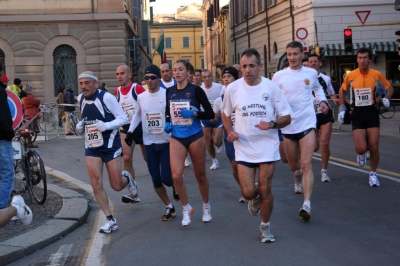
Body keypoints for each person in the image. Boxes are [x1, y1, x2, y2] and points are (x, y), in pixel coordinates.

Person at [222, 48, 292, 243]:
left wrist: (272, 124)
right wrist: (230, 132)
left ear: (260, 66)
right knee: (248, 191)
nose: (247, 70)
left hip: (267, 146)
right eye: (244, 66)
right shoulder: (232, 89)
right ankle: (252, 198)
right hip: (243, 146)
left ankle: (265, 227)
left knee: (265, 188)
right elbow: (225, 114)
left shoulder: (271, 88)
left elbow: (286, 116)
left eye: (252, 66)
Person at [272, 41, 329, 221]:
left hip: (307, 123)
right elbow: (273, 98)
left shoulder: (311, 73)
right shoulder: (279, 76)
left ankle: (307, 203)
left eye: (295, 54)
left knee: (306, 164)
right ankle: (296, 176)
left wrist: (322, 101)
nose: (292, 57)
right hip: (288, 125)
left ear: (301, 54)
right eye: (289, 54)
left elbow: (318, 89)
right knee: (293, 165)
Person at [75, 71, 135, 234]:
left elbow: (123, 118)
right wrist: (80, 125)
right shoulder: (80, 98)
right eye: (81, 83)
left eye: (87, 83)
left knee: (116, 185)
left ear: (96, 83)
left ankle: (127, 178)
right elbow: (87, 117)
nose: (84, 86)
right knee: (95, 181)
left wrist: (106, 126)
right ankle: (110, 220)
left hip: (110, 144)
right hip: (92, 145)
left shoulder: (107, 98)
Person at [164, 59, 215, 227]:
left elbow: (209, 114)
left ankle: (206, 206)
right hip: (177, 136)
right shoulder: (169, 91)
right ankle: (186, 208)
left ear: (188, 73)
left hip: (195, 136)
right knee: (176, 175)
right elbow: (167, 111)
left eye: (180, 69)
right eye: (175, 70)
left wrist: (194, 113)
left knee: (200, 175)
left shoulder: (196, 90)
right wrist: (167, 122)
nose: (177, 72)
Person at [125, 65, 179, 221]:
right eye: (147, 77)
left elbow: (174, 113)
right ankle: (169, 206)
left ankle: (175, 185)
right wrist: (130, 131)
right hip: (149, 144)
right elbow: (138, 114)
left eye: (153, 77)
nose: (149, 80)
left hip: (166, 143)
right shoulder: (141, 97)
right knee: (156, 180)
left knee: (167, 178)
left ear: (158, 78)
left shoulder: (167, 93)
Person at [338, 47, 393, 187]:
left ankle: (373, 174)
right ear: (357, 59)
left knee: (374, 146)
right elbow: (342, 91)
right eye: (360, 58)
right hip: (357, 112)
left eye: (365, 58)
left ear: (369, 59)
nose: (362, 61)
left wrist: (387, 99)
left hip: (372, 112)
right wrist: (342, 108)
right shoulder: (351, 75)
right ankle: (361, 154)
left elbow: (389, 87)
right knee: (361, 148)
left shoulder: (376, 74)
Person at [213, 66, 247, 202]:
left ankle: (250, 186)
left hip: (244, 135)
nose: (226, 79)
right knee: (234, 164)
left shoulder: (243, 92)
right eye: (224, 77)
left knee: (246, 164)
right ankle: (245, 189)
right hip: (230, 135)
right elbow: (219, 116)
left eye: (229, 77)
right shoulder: (220, 97)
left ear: (235, 78)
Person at [114, 65, 146, 204]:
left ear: (130, 75)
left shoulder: (137, 88)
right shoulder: (117, 91)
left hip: (141, 126)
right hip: (126, 127)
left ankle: (172, 180)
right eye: (117, 74)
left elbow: (147, 104)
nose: (119, 76)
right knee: (126, 158)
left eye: (122, 73)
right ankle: (133, 192)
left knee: (149, 159)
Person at [308, 54, 340, 182]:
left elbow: (331, 93)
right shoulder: (305, 78)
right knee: (314, 147)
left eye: (315, 61)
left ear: (320, 63)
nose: (313, 64)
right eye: (311, 62)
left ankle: (324, 171)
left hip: (324, 113)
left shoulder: (325, 79)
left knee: (325, 143)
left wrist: (334, 99)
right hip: (311, 115)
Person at [201, 69, 223, 170]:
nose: (207, 79)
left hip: (217, 117)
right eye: (205, 77)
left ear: (211, 77)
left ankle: (219, 143)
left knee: (216, 141)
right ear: (202, 78)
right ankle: (214, 160)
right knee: (208, 141)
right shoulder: (200, 89)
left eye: (209, 76)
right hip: (205, 119)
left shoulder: (219, 87)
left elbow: (225, 100)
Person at [0, 63, 16, 209]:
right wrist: (9, 134)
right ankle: (1, 210)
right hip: (1, 139)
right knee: (7, 175)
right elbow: (4, 117)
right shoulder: (0, 91)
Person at [22, 84, 40, 148]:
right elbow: (37, 101)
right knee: (30, 130)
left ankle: (28, 142)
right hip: (31, 114)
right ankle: (29, 143)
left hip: (29, 114)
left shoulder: (26, 96)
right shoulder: (29, 96)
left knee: (29, 129)